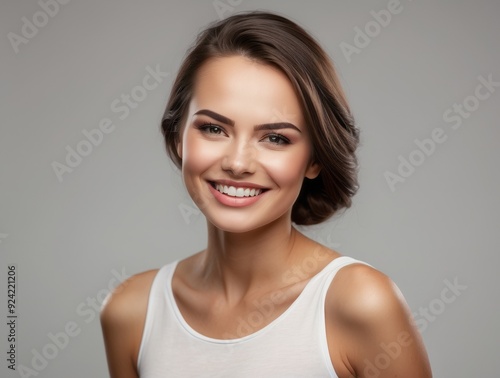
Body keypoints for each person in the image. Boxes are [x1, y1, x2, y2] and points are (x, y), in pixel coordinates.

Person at [100, 11, 432, 377]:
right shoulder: (132, 311)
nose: (238, 163)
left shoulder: (360, 303)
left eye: (276, 138)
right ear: (179, 137)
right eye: (213, 128)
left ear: (315, 159)